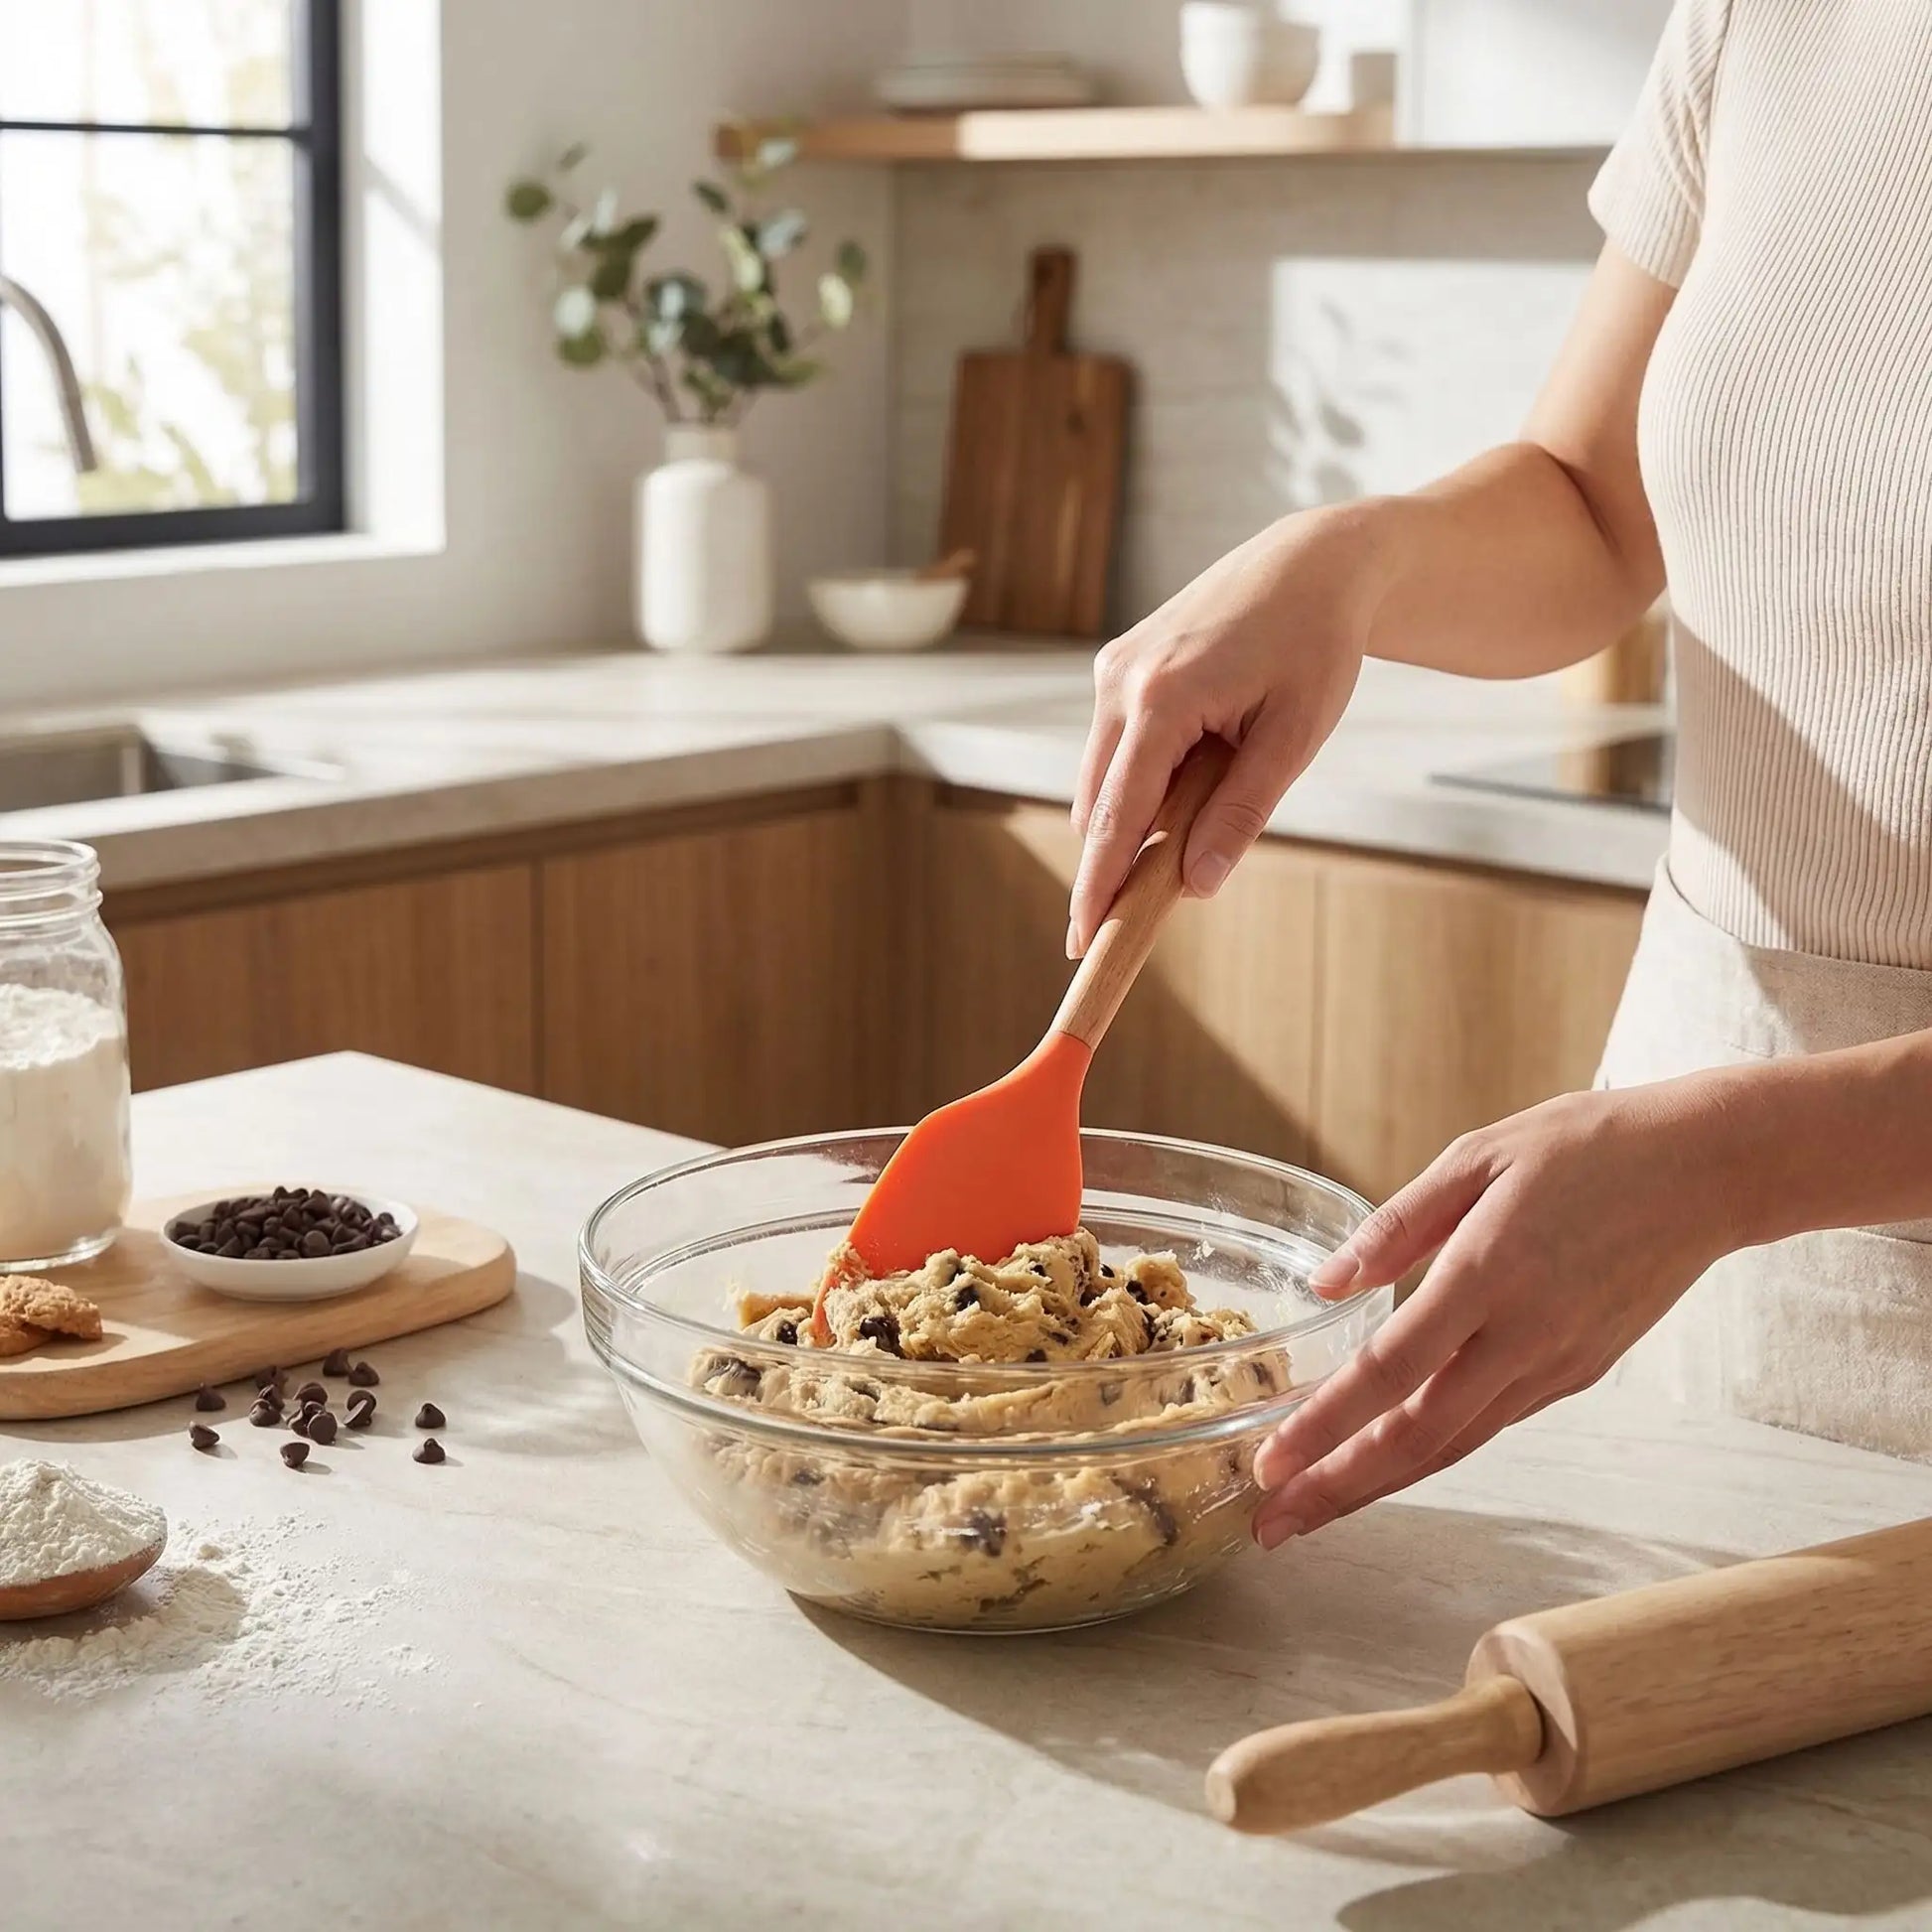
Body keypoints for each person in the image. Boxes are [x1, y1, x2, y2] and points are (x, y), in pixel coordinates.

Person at [1065, 0, 1932, 1549]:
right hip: (1685, 1229)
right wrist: (1350, 557)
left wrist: (1739, 1158)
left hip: (1713, 1173)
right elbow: (1592, 506)